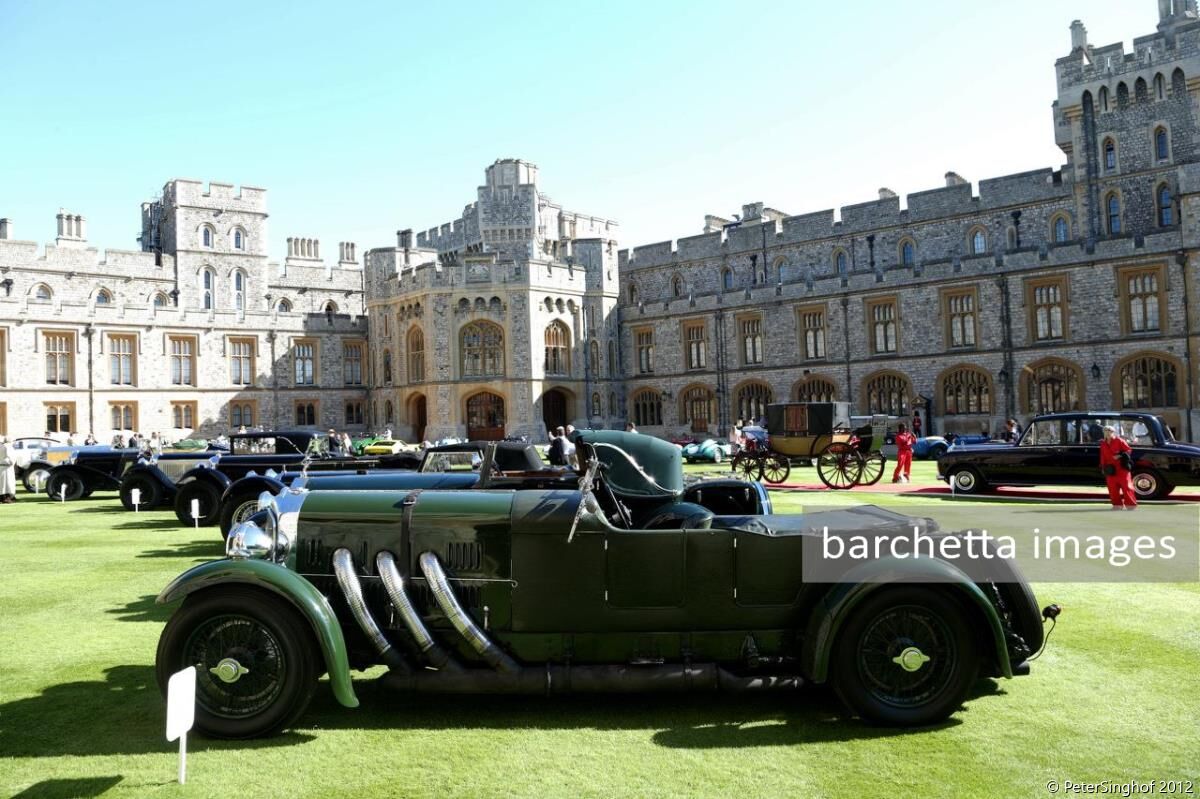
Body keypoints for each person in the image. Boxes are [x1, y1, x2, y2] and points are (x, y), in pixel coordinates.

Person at [1099, 425, 1137, 510]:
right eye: (1105, 431)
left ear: (1113, 432)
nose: (1107, 433)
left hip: (1122, 468)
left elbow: (1129, 450)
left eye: (1110, 431)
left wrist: (1119, 455)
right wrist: (1102, 467)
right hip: (1110, 469)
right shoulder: (1103, 443)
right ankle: (1117, 505)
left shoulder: (1119, 440)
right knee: (1112, 489)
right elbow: (1102, 456)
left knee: (1127, 487)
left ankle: (1131, 505)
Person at [0, 436, 17, 503]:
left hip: (2, 466)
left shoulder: (1, 446)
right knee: (8, 483)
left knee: (2, 484)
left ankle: (2, 497)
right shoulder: (8, 447)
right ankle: (7, 498)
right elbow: (11, 458)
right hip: (7, 467)